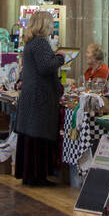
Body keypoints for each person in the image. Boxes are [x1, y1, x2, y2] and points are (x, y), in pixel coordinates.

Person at [14, 11, 65, 186]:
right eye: (51, 24)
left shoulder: (30, 43)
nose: (52, 27)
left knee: (30, 137)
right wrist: (60, 57)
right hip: (39, 97)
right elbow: (45, 67)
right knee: (38, 136)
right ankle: (38, 176)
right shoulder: (41, 43)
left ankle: (30, 175)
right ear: (44, 24)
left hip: (31, 95)